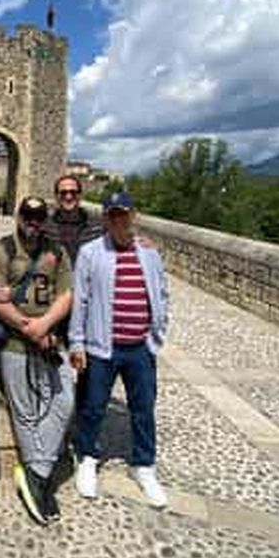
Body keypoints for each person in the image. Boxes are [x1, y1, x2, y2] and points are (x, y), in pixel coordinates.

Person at [69, 191, 169, 509]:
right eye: (112, 215)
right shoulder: (90, 253)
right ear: (106, 219)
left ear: (133, 215)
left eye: (123, 214)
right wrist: (77, 342)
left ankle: (144, 466)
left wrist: (158, 331)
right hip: (102, 347)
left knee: (143, 408)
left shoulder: (150, 254)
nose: (118, 220)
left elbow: (161, 293)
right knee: (94, 406)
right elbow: (80, 300)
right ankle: (87, 458)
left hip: (140, 347)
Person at [0, 196, 75, 525]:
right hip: (15, 345)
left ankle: (36, 471)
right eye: (28, 215)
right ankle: (40, 482)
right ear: (18, 216)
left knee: (64, 401)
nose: (33, 221)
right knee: (24, 412)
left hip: (51, 340)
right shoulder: (3, 250)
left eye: (39, 216)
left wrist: (46, 324)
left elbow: (67, 293)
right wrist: (29, 327)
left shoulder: (57, 251)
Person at [45, 173, 100, 267]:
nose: (68, 197)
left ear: (80, 195)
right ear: (56, 195)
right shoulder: (46, 227)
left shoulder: (97, 227)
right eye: (63, 192)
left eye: (73, 192)